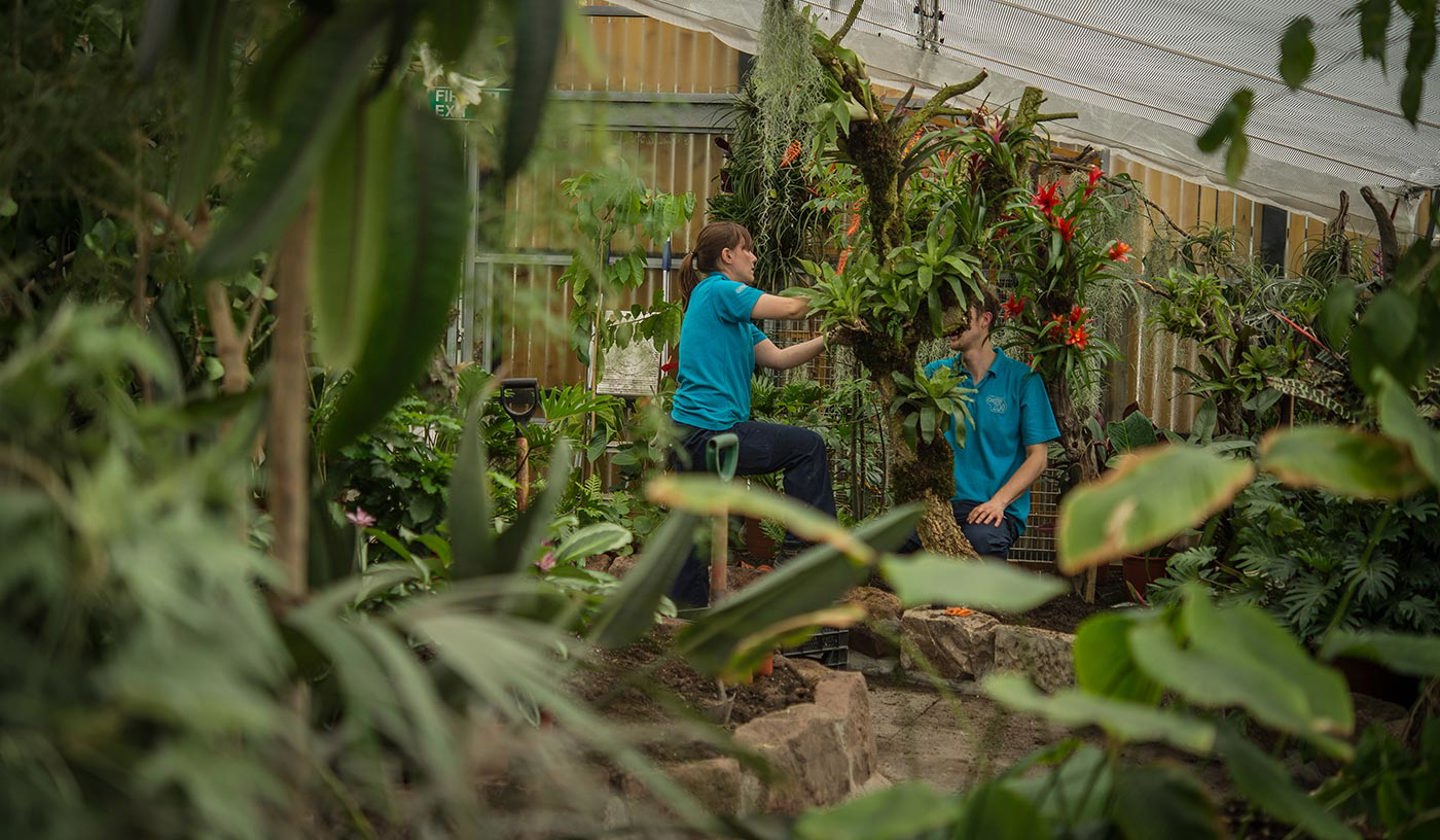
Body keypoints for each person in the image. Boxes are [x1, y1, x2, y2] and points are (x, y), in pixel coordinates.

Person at [667, 220, 836, 607]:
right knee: (807, 447)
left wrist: (831, 337)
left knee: (689, 532)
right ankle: (804, 550)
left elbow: (778, 358)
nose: (755, 256)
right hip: (710, 434)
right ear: (728, 256)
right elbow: (793, 307)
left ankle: (686, 617)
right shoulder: (719, 290)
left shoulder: (727, 312)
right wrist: (841, 297)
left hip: (689, 435)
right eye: (748, 248)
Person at [917, 288, 1060, 558]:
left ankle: (982, 602)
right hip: (940, 504)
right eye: (948, 312)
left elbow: (1038, 459)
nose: (951, 321)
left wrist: (999, 502)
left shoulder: (1024, 380)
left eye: (962, 313)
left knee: (982, 540)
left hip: (994, 507)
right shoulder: (935, 373)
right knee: (895, 543)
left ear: (985, 319)